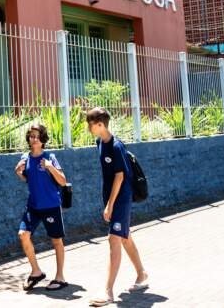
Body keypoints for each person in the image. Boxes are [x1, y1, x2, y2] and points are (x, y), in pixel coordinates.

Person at [86, 107, 148, 307]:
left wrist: (110, 205)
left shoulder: (116, 147)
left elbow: (120, 177)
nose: (89, 127)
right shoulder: (99, 143)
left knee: (113, 239)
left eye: (91, 124)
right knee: (124, 237)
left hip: (121, 199)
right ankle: (142, 273)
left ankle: (108, 292)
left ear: (100, 124)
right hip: (112, 199)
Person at [14, 123, 69, 291]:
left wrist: (50, 167)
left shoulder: (50, 156)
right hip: (33, 206)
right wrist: (19, 173)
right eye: (31, 136)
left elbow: (63, 181)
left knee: (56, 241)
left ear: (43, 138)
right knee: (23, 234)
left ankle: (60, 277)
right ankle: (36, 272)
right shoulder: (26, 157)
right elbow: (28, 179)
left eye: (37, 136)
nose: (34, 139)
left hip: (51, 205)